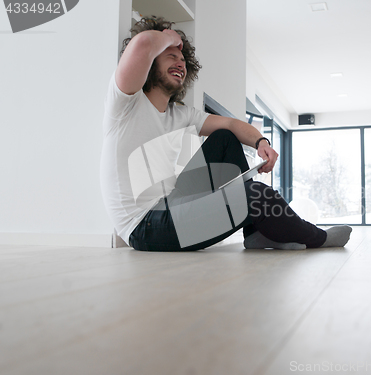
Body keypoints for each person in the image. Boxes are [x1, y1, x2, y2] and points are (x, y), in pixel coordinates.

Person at [100, 16, 352, 252]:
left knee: (224, 137)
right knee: (256, 196)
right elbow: (143, 43)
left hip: (171, 204)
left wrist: (260, 142)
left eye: (183, 59)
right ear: (152, 60)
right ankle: (318, 238)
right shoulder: (126, 102)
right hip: (145, 226)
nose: (180, 62)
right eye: (171, 55)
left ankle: (256, 233)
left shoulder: (180, 114)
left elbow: (232, 125)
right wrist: (170, 36)